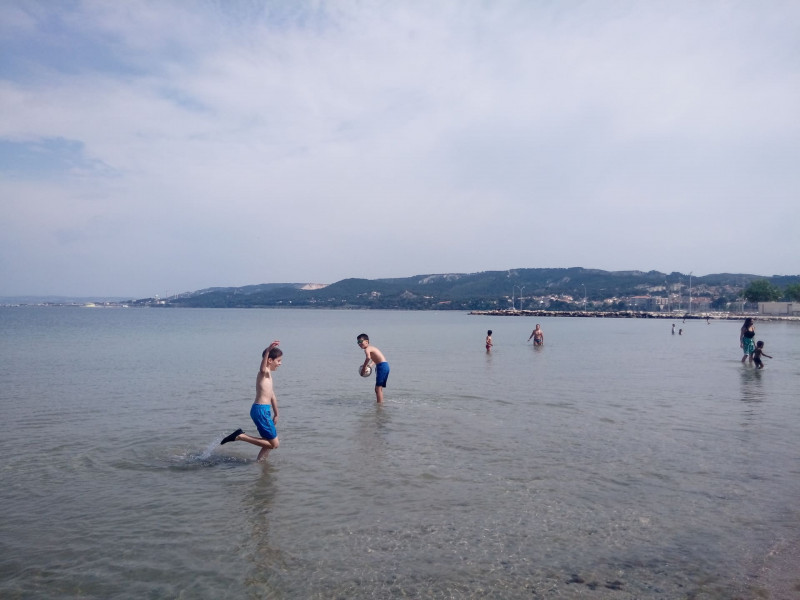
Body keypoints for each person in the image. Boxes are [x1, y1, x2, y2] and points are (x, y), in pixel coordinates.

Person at [220, 340, 282, 461]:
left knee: (267, 443)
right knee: (275, 444)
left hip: (264, 411)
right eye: (278, 361)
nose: (280, 363)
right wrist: (268, 351)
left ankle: (260, 464)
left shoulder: (269, 377)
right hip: (260, 410)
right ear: (269, 360)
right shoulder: (264, 373)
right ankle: (241, 436)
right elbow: (262, 368)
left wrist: (277, 413)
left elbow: (272, 395)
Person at [357, 333, 389, 403]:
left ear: (367, 342)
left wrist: (364, 368)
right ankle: (380, 403)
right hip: (383, 366)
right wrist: (370, 365)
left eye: (360, 342)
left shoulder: (367, 349)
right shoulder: (372, 348)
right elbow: (376, 359)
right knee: (378, 388)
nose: (359, 344)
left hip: (382, 366)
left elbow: (368, 357)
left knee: (378, 389)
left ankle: (380, 406)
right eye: (358, 342)